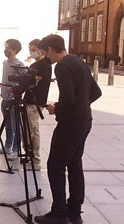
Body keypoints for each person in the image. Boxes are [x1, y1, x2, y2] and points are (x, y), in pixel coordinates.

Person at [34, 34, 102, 224]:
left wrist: (57, 108)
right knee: (74, 165)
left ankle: (59, 213)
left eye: (43, 53)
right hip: (84, 121)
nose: (45, 58)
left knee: (55, 165)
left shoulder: (62, 66)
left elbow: (69, 99)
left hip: (70, 124)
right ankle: (74, 210)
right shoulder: (78, 61)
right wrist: (81, 106)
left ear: (49, 49)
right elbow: (96, 92)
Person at [23, 39, 52, 170]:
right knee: (27, 129)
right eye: (30, 49)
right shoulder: (34, 65)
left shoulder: (44, 64)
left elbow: (34, 81)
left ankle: (35, 159)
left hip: (36, 102)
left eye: (34, 49)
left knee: (33, 130)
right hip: (28, 100)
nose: (32, 52)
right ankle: (28, 155)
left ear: (41, 49)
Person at [0, 39, 24, 160]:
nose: (6, 50)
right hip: (4, 98)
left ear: (14, 49)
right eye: (5, 47)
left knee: (16, 125)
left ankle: (16, 150)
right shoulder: (5, 63)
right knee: (7, 125)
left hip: (13, 99)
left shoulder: (19, 64)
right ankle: (7, 147)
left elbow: (22, 82)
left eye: (8, 48)